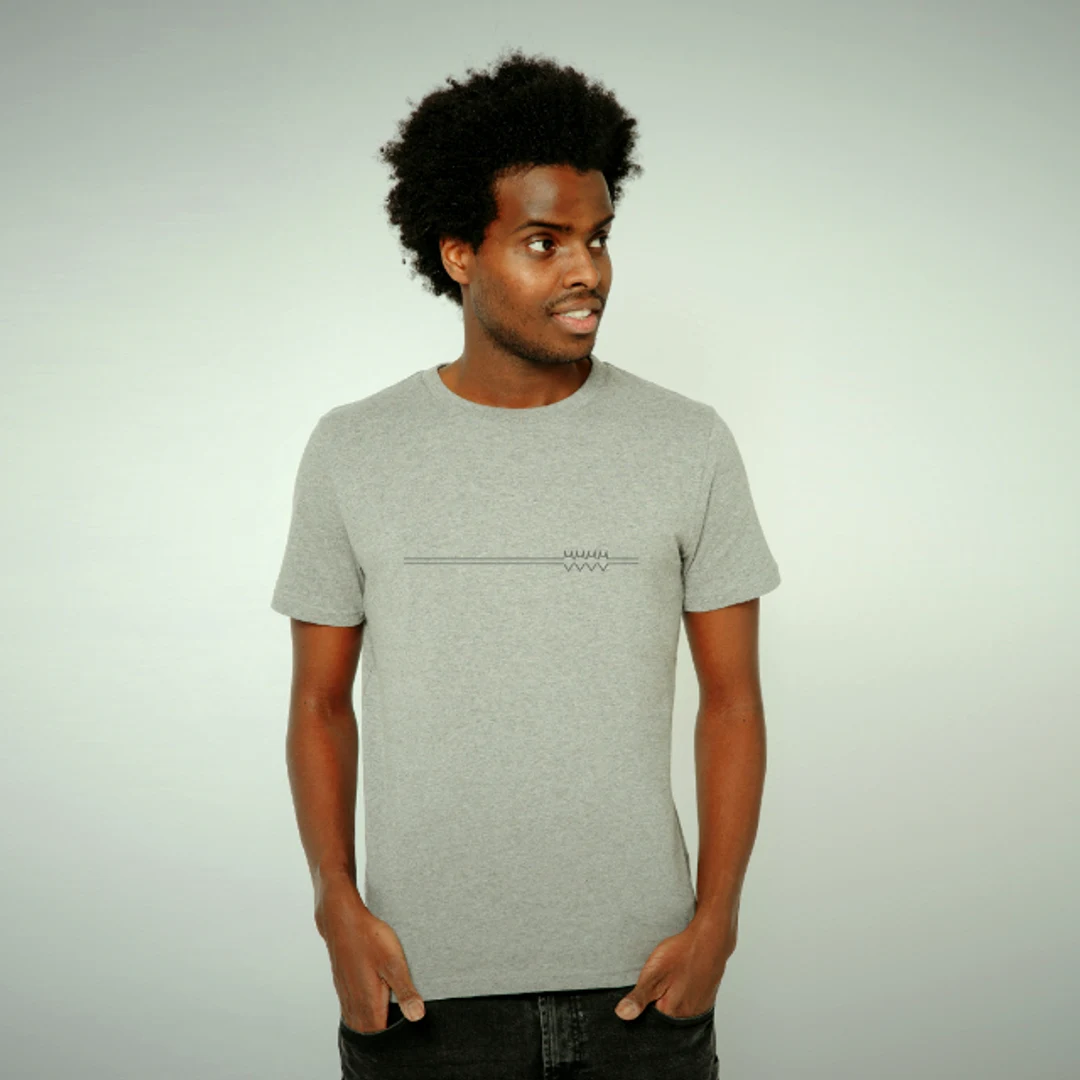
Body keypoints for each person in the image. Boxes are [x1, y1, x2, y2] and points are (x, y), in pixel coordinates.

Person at [271, 47, 781, 1080]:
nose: (587, 270)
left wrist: (718, 924)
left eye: (598, 238)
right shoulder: (353, 449)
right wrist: (335, 908)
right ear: (459, 253)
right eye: (544, 243)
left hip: (644, 994)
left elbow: (732, 701)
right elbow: (320, 704)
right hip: (420, 996)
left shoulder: (688, 443)